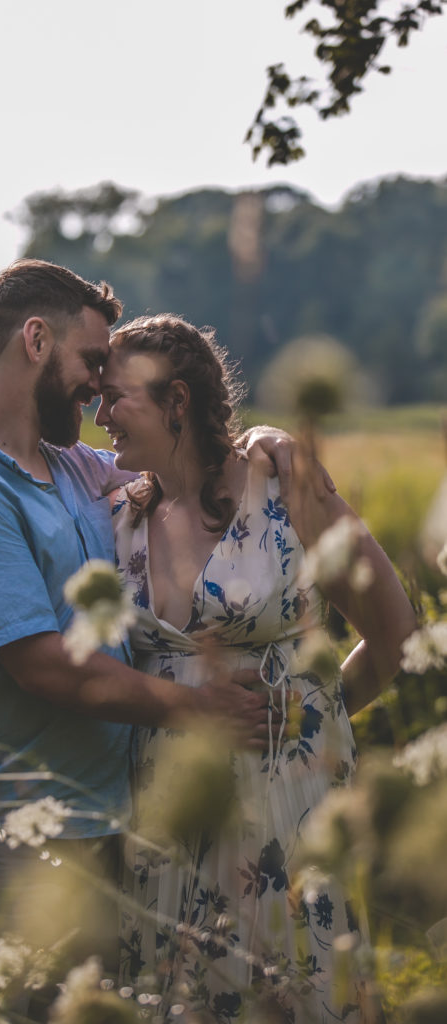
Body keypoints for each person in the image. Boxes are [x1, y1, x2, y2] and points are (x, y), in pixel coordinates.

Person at [0, 259, 304, 1022]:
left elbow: (182, 466)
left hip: (95, 833)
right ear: (36, 340)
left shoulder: (71, 469)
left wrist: (261, 439)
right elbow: (45, 667)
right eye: (90, 363)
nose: (96, 387)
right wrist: (195, 708)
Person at [94, 313, 417, 1022]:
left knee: (293, 988)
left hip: (286, 810)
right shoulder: (113, 515)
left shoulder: (282, 484)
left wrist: (309, 723)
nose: (99, 415)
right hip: (165, 814)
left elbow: (394, 633)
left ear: (176, 400)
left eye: (115, 396)